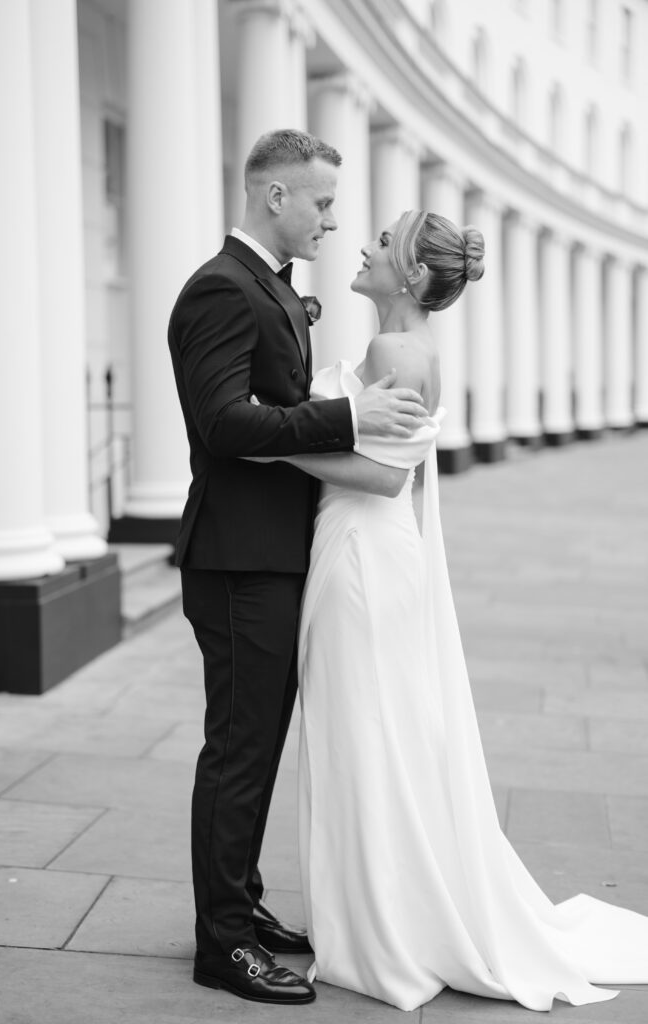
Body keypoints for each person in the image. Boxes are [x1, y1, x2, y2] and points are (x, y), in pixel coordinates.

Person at [259, 210, 648, 1012]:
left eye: (381, 240)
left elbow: (379, 476)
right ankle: (387, 908)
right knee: (380, 732)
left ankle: (385, 926)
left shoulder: (394, 351)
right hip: (371, 554)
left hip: (363, 552)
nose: (362, 246)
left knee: (365, 735)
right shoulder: (414, 348)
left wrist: (260, 440)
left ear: (404, 272)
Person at [167, 130, 429, 1006]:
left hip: (274, 554)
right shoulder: (218, 288)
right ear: (273, 196)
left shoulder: (268, 287)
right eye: (320, 201)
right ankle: (223, 944)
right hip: (239, 559)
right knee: (240, 752)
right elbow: (225, 426)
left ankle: (239, 905)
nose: (331, 219)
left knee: (259, 743)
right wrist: (346, 418)